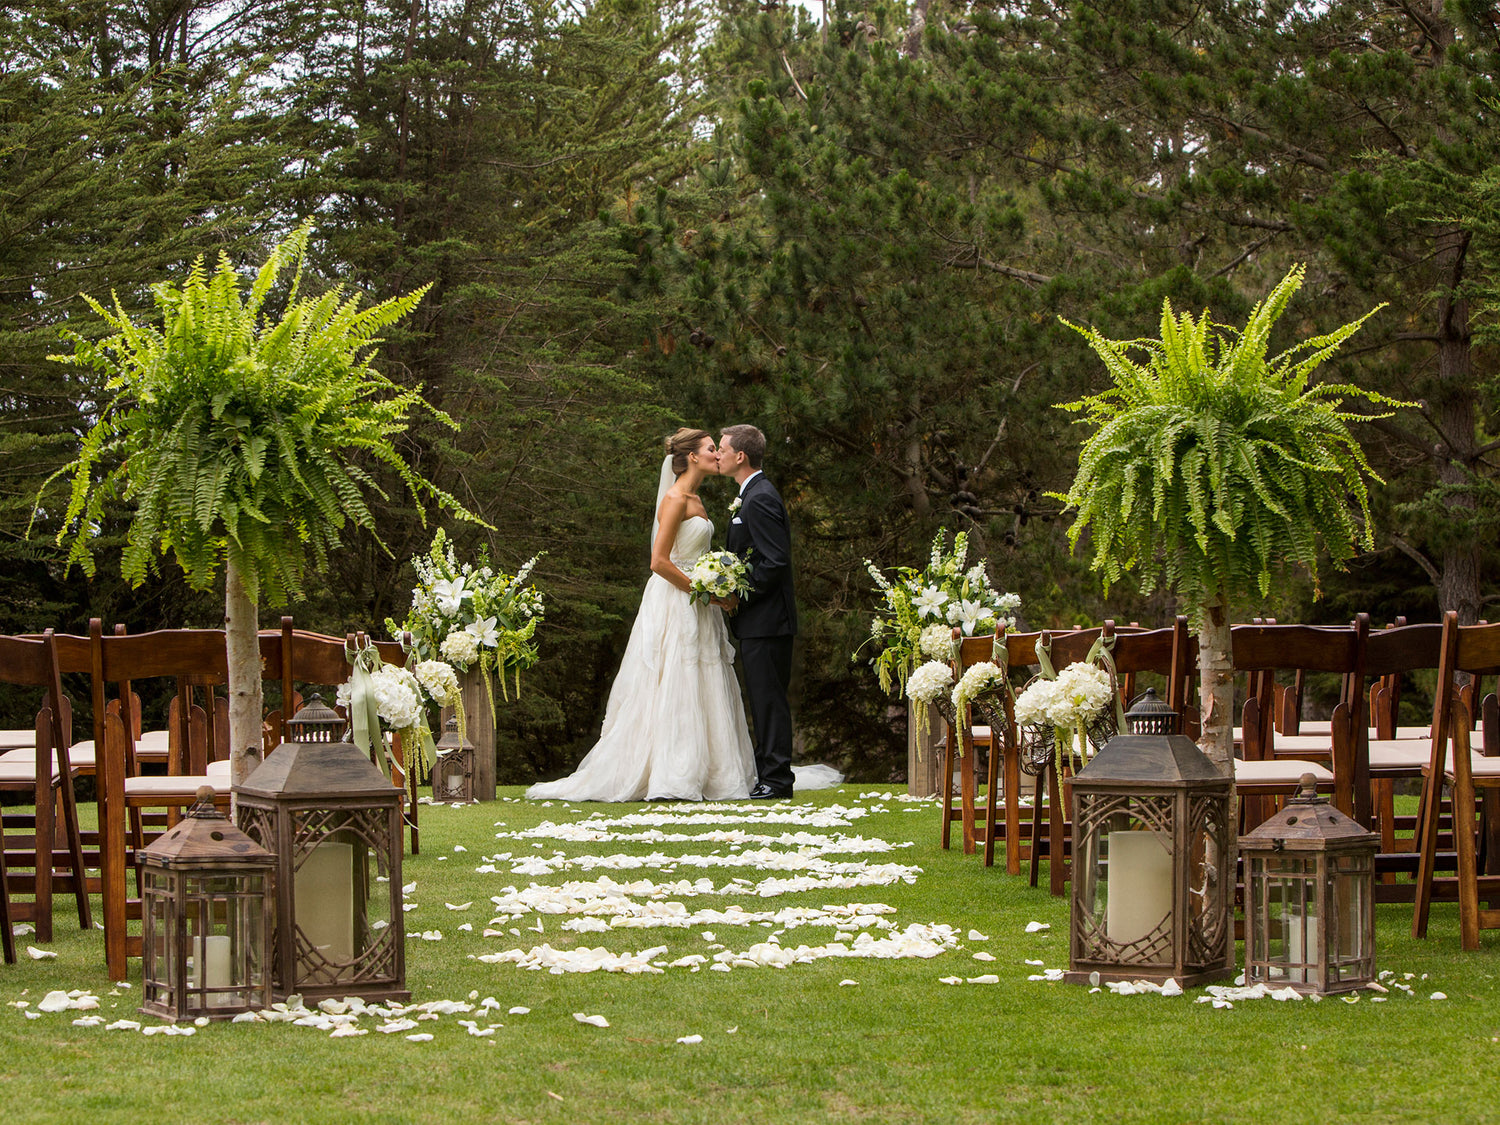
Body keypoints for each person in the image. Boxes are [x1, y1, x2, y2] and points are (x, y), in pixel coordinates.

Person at [526, 429, 757, 802]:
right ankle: (671, 772)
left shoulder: (697, 498)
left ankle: (712, 771)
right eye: (711, 449)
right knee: (674, 677)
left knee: (704, 678)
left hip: (697, 602)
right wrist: (708, 595)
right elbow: (659, 562)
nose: (718, 454)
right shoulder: (675, 498)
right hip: (674, 602)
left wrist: (715, 584)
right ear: (693, 457)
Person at [719, 424, 799, 799]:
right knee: (764, 698)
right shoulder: (749, 495)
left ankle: (778, 780)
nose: (717, 455)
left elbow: (775, 560)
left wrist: (738, 595)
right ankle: (768, 774)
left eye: (722, 449)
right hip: (759, 622)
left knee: (769, 700)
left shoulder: (760, 497)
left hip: (767, 621)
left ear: (740, 456)